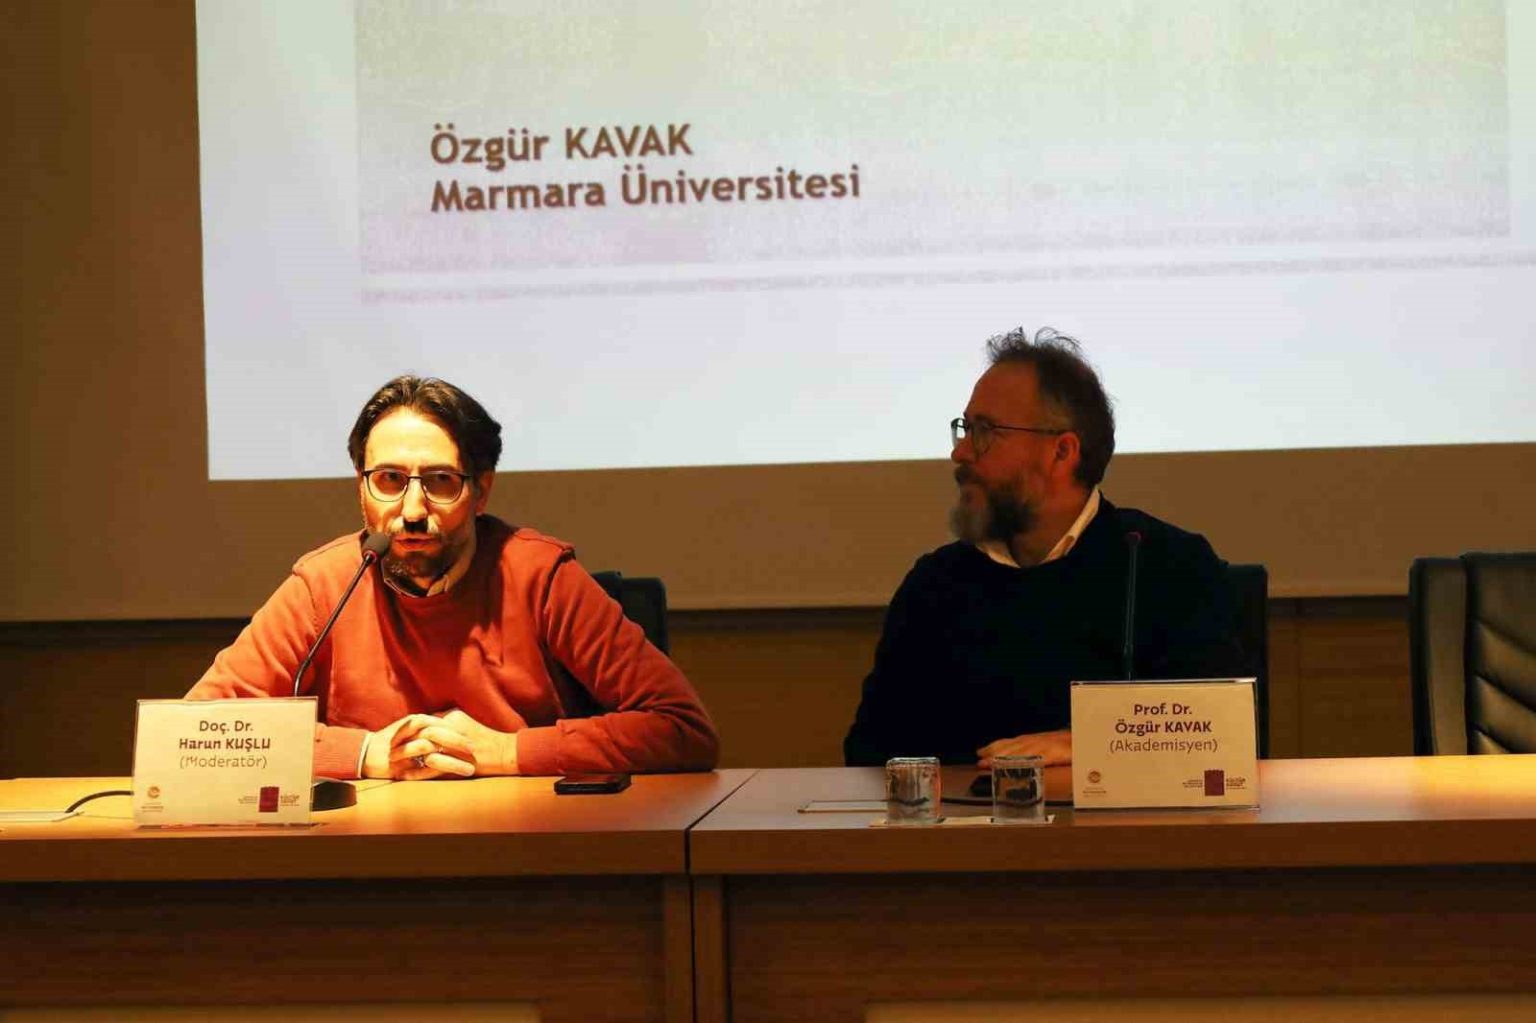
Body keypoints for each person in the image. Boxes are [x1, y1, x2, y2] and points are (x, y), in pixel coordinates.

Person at [188, 375, 719, 780]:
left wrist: (507, 751)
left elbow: (684, 728)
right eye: (389, 480)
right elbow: (193, 733)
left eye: (440, 481)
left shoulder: (540, 576)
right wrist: (366, 752)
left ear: (480, 492)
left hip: (527, 846)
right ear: (360, 487)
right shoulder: (323, 585)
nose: (412, 510)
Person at [844, 328, 1245, 768]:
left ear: (1062, 452)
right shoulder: (936, 584)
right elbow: (870, 752)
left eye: (985, 431)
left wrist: (1089, 742)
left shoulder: (1166, 568)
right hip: (966, 814)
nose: (961, 452)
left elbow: (1223, 735)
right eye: (965, 428)